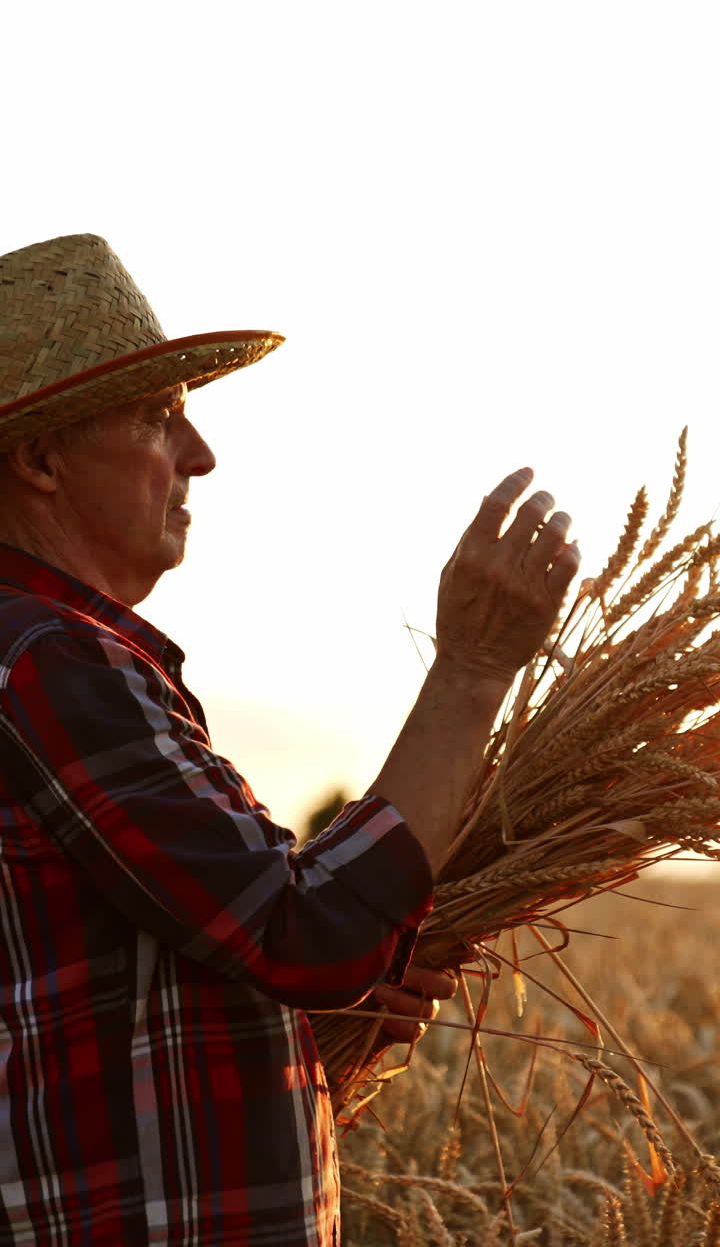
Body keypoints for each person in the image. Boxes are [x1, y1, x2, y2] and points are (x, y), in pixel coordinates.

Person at [0, 233, 580, 1246]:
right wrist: (473, 669)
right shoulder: (49, 658)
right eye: (156, 416)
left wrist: (315, 1017)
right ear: (41, 459)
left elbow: (80, 998)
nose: (201, 456)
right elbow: (303, 932)